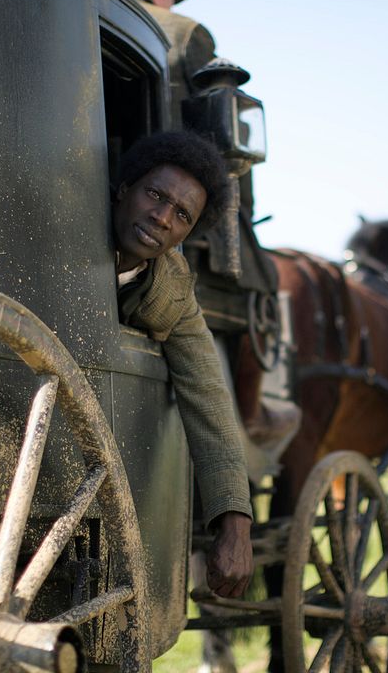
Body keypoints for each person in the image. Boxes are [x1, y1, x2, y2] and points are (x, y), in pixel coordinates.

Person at [113, 131, 252, 599]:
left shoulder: (174, 290)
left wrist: (235, 522)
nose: (162, 217)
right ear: (123, 188)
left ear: (186, 235)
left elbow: (209, 395)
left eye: (182, 215)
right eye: (155, 194)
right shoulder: (63, 227)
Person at [108, 0, 216, 129]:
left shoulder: (80, 17)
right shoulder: (185, 31)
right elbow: (218, 119)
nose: (171, 5)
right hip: (163, 154)